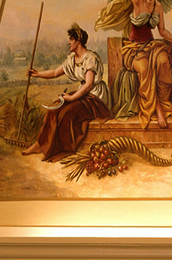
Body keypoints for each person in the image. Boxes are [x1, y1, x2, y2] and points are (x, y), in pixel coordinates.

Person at [97, 0, 172, 130]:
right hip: (133, 49)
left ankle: (162, 102)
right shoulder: (137, 1)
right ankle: (156, 109)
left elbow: (161, 31)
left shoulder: (158, 7)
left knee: (162, 62)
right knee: (144, 69)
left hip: (151, 46)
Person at [21, 25, 111, 160]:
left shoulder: (90, 58)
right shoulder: (72, 60)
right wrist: (37, 74)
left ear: (78, 40)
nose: (68, 42)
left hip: (94, 97)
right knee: (54, 107)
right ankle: (40, 144)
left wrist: (72, 98)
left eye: (71, 39)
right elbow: (55, 72)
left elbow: (88, 84)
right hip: (82, 94)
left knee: (67, 112)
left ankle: (63, 148)